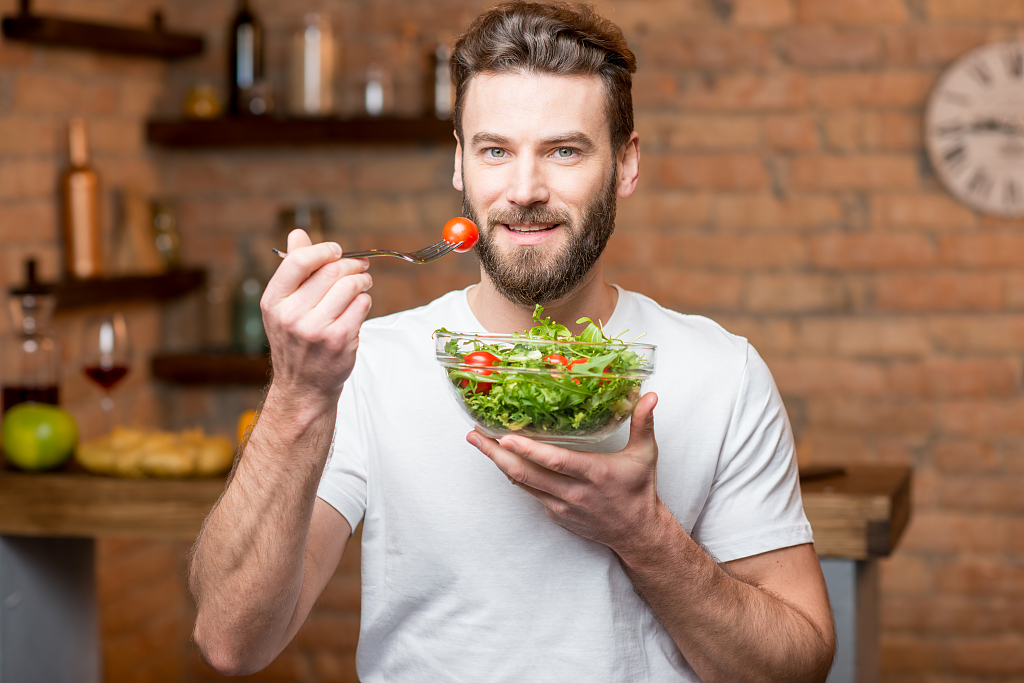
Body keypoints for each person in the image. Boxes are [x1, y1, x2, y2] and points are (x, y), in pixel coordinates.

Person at [189, 3, 836, 681]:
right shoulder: (368, 366)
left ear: (625, 164)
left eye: (564, 150)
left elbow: (796, 667)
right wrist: (297, 394)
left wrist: (643, 534)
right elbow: (231, 640)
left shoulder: (721, 372)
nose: (525, 190)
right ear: (461, 166)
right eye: (496, 150)